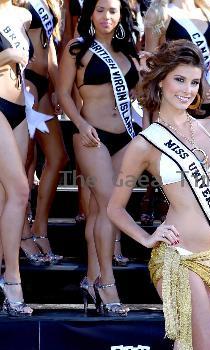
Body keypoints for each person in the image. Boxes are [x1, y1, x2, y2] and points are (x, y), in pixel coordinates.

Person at [108, 39, 210, 349]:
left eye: (194, 82)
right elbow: (114, 209)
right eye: (179, 79)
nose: (188, 89)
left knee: (187, 346)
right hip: (177, 258)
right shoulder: (145, 144)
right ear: (161, 81)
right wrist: (147, 238)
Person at [58, 0, 140, 315]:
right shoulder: (76, 50)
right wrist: (81, 124)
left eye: (113, 11)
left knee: (98, 211)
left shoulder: (128, 51)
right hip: (90, 136)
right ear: (91, 13)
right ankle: (107, 283)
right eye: (101, 9)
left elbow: (136, 94)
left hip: (125, 136)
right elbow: (64, 93)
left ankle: (90, 278)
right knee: (108, 206)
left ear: (122, 16)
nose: (107, 16)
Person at [18, 0, 68, 265]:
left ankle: (39, 227)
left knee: (58, 156)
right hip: (23, 79)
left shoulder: (50, 2)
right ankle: (23, 233)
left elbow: (49, 46)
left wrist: (58, 86)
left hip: (44, 83)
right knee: (25, 160)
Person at [0, 0, 34, 316]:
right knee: (21, 191)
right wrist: (6, 56)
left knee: (6, 197)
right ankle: (12, 277)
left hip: (19, 109)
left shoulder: (22, 15)